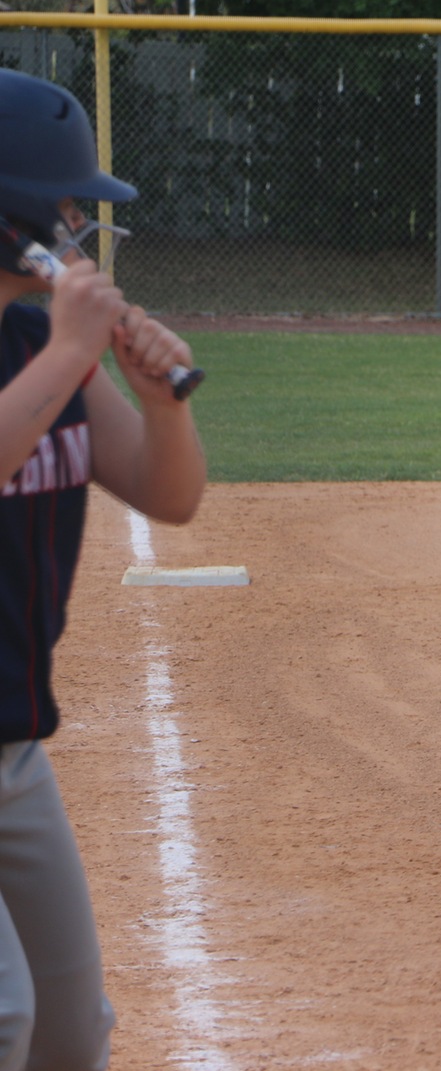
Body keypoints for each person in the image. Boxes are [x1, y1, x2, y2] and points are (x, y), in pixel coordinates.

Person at [0, 68, 208, 1069]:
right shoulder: (53, 348)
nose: (78, 222)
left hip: (11, 746)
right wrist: (71, 350)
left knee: (69, 1033)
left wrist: (159, 402)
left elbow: (168, 495)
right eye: (63, 202)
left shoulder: (44, 340)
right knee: (3, 1015)